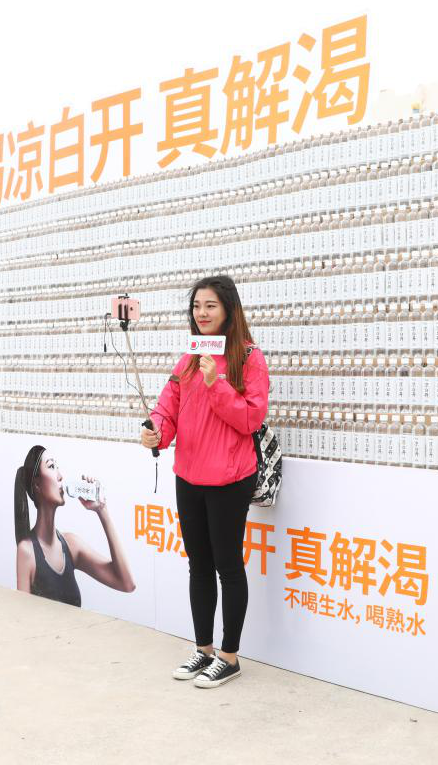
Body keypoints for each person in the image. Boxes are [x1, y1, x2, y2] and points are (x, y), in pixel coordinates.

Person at [141, 275, 269, 689]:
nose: (202, 313)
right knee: (198, 564)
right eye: (197, 306)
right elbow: (167, 408)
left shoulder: (249, 358)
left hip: (230, 478)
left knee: (227, 566)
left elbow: (251, 418)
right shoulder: (189, 360)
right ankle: (204, 650)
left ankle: (229, 657)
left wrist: (217, 386)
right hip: (189, 476)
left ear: (229, 310)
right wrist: (156, 431)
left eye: (210, 305)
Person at [14, 445, 136, 606]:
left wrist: (102, 510)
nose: (60, 476)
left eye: (58, 467)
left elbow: (126, 583)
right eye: (51, 466)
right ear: (37, 484)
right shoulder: (27, 551)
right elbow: (22, 615)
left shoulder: (71, 545)